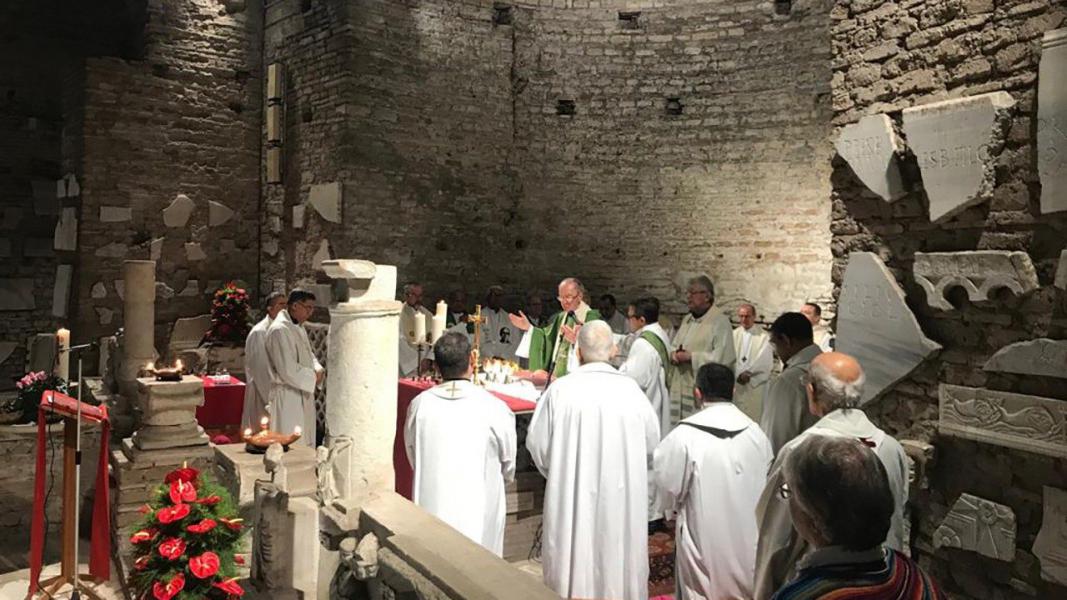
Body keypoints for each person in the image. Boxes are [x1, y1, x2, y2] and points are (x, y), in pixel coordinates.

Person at [755, 352, 909, 598]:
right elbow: (898, 521)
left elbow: (777, 537)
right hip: (883, 580)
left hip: (820, 585)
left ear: (811, 392)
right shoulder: (891, 447)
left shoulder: (801, 452)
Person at [526, 321, 660, 600]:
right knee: (617, 563)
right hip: (621, 499)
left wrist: (565, 472)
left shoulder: (561, 391)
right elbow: (651, 446)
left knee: (572, 563)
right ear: (613, 351)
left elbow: (538, 447)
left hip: (572, 499)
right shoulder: (633, 393)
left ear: (577, 353)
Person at [769, 435, 943, 600]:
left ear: (814, 519)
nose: (788, 498)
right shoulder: (915, 577)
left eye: (789, 492)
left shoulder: (798, 596)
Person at [653, 363, 773, 600]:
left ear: (698, 393)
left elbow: (667, 484)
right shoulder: (757, 434)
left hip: (703, 535)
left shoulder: (684, 436)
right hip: (748, 535)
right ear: (734, 392)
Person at [404, 332, 517, 556]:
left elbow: (412, 454)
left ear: (436, 366)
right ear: (472, 360)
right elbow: (509, 463)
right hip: (479, 509)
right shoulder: (494, 408)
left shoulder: (420, 405)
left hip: (432, 504)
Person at [668, 275, 736, 425]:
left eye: (693, 293)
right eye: (688, 293)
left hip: (703, 390)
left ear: (707, 296)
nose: (688, 297)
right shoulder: (687, 319)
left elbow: (722, 359)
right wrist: (674, 354)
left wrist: (692, 357)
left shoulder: (720, 322)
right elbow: (674, 345)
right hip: (680, 385)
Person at [265, 289, 324, 447]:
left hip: (301, 392)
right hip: (288, 395)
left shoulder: (298, 326)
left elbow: (308, 353)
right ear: (295, 306)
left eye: (312, 308)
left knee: (305, 440)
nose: (310, 312)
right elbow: (286, 369)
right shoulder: (279, 330)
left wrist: (317, 368)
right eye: (308, 307)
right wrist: (312, 376)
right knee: (290, 442)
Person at [510, 277, 601, 379]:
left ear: (579, 296)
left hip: (577, 379)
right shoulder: (562, 317)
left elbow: (598, 349)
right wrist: (529, 328)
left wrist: (577, 341)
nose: (564, 302)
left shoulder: (592, 318)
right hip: (556, 378)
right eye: (561, 298)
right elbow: (546, 338)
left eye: (568, 297)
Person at [759, 313, 823, 455]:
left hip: (797, 467)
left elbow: (775, 438)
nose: (776, 352)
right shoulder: (831, 367)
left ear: (786, 341)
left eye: (775, 343)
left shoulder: (789, 381)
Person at [618, 296, 671, 436]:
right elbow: (626, 341)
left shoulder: (643, 344)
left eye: (630, 317)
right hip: (657, 403)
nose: (628, 321)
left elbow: (633, 381)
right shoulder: (660, 333)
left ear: (641, 320)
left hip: (647, 407)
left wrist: (619, 371)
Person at [241, 291, 287, 429]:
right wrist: (272, 400)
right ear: (270, 308)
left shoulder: (285, 329)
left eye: (287, 304)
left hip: (280, 393)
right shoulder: (260, 332)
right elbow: (261, 369)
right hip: (263, 394)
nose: (285, 309)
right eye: (281, 305)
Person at [733, 303, 773, 421]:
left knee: (754, 416)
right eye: (741, 316)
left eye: (747, 316)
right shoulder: (733, 335)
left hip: (755, 383)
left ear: (754, 317)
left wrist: (749, 373)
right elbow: (729, 357)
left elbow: (764, 359)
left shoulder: (763, 336)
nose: (744, 319)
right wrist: (738, 373)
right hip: (737, 382)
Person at [398, 282, 434, 377]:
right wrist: (416, 363)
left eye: (420, 295)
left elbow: (437, 338)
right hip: (408, 368)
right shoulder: (398, 315)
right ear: (406, 296)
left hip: (427, 368)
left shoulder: (428, 315)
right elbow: (399, 341)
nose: (418, 299)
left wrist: (429, 359)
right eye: (414, 295)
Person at [481, 285, 521, 361]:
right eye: (494, 295)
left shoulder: (509, 319)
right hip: (486, 360)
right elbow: (478, 341)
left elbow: (515, 342)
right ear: (488, 298)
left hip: (505, 361)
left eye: (500, 296)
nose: (497, 299)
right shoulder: (480, 317)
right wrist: (491, 356)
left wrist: (503, 357)